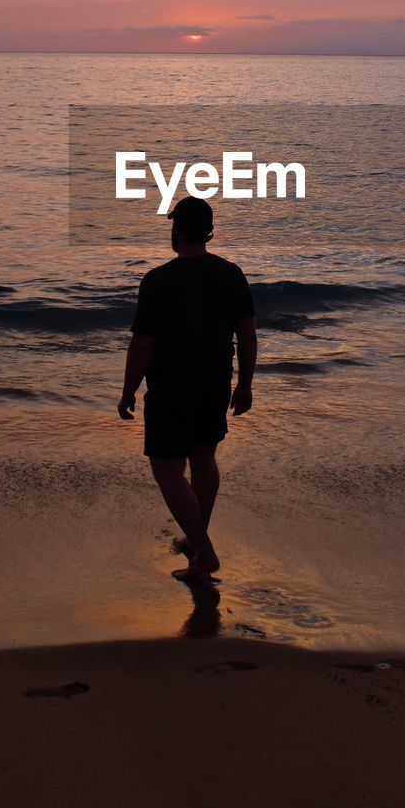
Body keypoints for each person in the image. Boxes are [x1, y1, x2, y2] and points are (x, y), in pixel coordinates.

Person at [117, 196, 257, 580]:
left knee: (165, 468)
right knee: (202, 458)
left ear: (176, 231)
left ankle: (203, 549)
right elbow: (247, 335)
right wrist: (244, 384)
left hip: (171, 386)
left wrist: (128, 391)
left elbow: (142, 344)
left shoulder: (159, 280)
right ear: (209, 231)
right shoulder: (231, 274)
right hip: (214, 381)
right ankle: (197, 539)